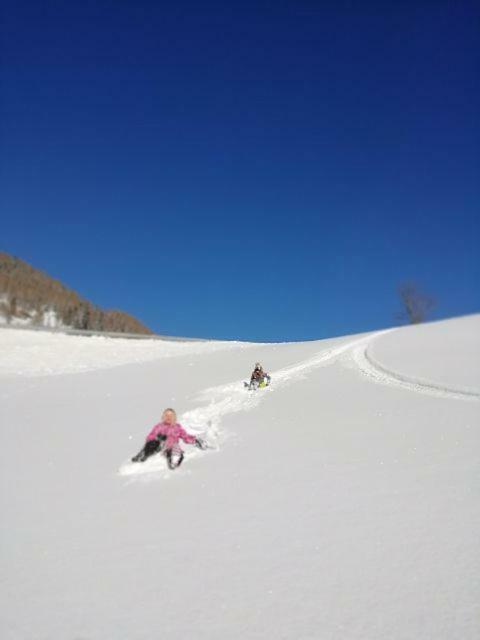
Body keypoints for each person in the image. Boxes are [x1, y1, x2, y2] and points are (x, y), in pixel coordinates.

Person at [131, 408, 206, 469]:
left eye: (171, 416)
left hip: (171, 446)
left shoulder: (177, 427)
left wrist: (194, 440)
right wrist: (157, 437)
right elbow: (151, 436)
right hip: (159, 445)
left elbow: (185, 437)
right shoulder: (159, 426)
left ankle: (174, 460)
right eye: (166, 416)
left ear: (175, 418)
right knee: (152, 443)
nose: (168, 418)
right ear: (162, 418)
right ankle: (143, 454)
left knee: (175, 449)